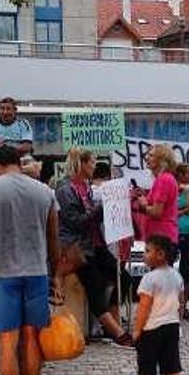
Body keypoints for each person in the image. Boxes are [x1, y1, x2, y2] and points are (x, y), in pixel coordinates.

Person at [56, 147, 133, 347]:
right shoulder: (66, 189)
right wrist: (101, 209)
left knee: (123, 277)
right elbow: (74, 221)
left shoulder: (86, 186)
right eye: (91, 162)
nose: (94, 166)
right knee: (95, 285)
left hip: (93, 244)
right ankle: (115, 331)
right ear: (80, 164)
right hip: (77, 248)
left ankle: (113, 321)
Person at [0, 144, 60, 375]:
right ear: (19, 162)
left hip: (3, 274)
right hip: (37, 272)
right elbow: (54, 237)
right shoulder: (44, 191)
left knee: (7, 337)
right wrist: (57, 274)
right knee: (32, 334)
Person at [133, 235, 184, 375]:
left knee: (147, 366)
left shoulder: (149, 279)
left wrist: (137, 330)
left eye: (147, 251)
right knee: (171, 366)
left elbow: (144, 306)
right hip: (172, 326)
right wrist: (178, 321)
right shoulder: (177, 276)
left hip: (151, 329)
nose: (144, 254)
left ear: (160, 254)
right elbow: (181, 302)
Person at [135, 145, 179, 247]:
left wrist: (144, 204)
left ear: (161, 161)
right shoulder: (165, 179)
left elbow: (156, 212)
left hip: (160, 237)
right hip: (160, 236)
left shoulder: (163, 180)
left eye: (151, 155)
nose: (147, 158)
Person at [174, 164, 189, 321]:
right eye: (188, 174)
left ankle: (183, 306)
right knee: (169, 270)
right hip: (175, 233)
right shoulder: (173, 190)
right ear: (180, 175)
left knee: (186, 271)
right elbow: (170, 212)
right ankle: (171, 305)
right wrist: (184, 210)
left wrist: (185, 210)